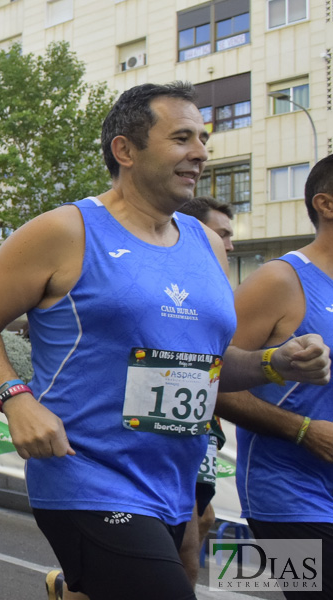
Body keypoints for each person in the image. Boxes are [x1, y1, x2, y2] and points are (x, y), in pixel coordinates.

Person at [0, 82, 329, 600]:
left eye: (202, 139)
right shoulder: (66, 229)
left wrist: (274, 363)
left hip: (173, 484)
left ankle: (73, 590)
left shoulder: (205, 245)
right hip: (86, 475)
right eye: (181, 138)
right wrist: (14, 398)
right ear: (125, 150)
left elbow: (210, 368)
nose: (199, 152)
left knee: (185, 569)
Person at [215, 154, 333, 599]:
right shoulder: (280, 279)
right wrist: (304, 431)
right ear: (326, 204)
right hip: (288, 497)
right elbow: (209, 378)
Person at [175, 195, 234, 585]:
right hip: (163, 437)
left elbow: (226, 362)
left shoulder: (219, 292)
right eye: (221, 234)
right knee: (184, 554)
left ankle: (69, 586)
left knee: (205, 517)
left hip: (203, 429)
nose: (228, 245)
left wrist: (275, 363)